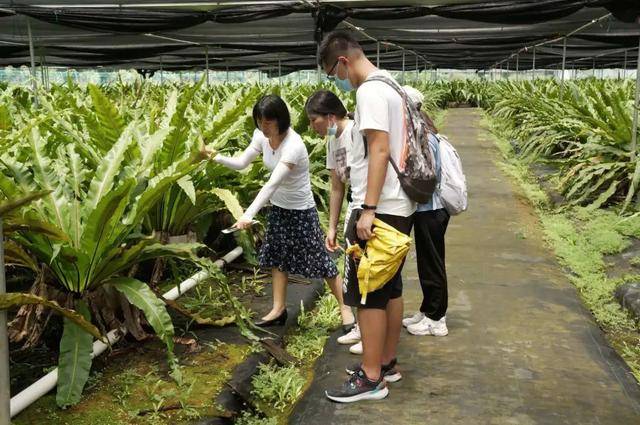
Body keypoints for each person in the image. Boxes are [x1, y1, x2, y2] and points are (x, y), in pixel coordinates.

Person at [319, 31, 416, 403]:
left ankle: (372, 378)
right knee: (390, 290)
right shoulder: (391, 84)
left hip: (381, 207)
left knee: (368, 295)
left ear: (343, 61)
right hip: (399, 205)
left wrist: (368, 209)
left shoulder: (370, 91)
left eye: (332, 72)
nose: (336, 80)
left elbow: (378, 149)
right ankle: (387, 362)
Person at [211, 94, 339, 326]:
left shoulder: (294, 145)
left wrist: (248, 215)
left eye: (268, 122)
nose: (263, 126)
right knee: (277, 257)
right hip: (280, 208)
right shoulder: (261, 137)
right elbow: (242, 163)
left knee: (322, 262)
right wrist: (215, 157)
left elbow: (272, 184)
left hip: (301, 210)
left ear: (281, 120)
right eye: (260, 121)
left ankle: (346, 311)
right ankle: (278, 310)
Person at [304, 90, 360, 346]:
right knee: (354, 270)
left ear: (329, 117)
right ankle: (361, 325)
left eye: (313, 120)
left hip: (369, 209)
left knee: (366, 271)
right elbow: (337, 187)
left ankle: (367, 330)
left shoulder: (355, 133)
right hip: (354, 207)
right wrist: (332, 227)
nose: (311, 126)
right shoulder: (332, 140)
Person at [400, 86, 450, 337]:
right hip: (428, 209)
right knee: (426, 262)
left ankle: (437, 318)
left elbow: (428, 177)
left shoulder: (424, 137)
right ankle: (427, 309)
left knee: (433, 264)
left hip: (431, 209)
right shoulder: (423, 131)